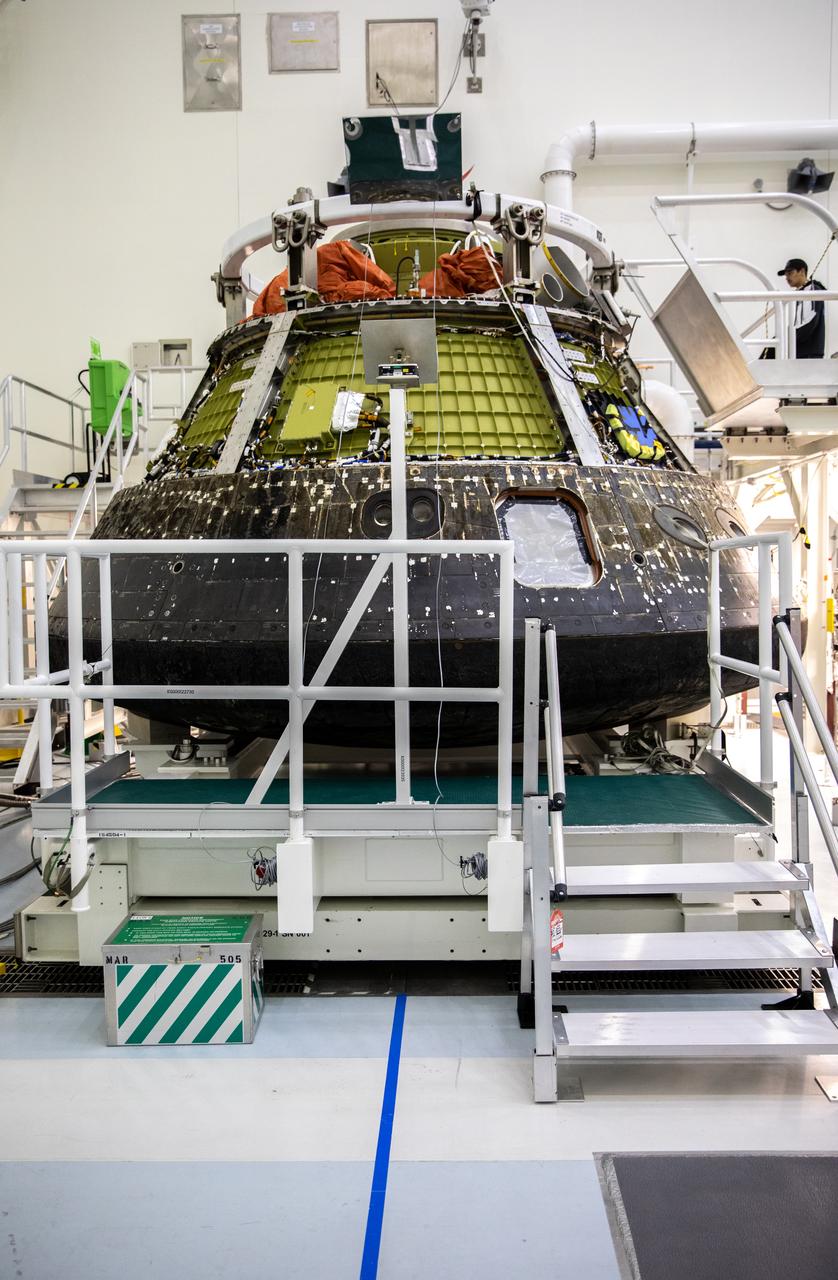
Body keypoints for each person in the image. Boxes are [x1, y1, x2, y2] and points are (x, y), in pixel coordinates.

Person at [778, 257, 826, 358]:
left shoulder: (812, 290)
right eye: (785, 275)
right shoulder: (801, 293)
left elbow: (810, 321)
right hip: (799, 351)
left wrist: (787, 338)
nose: (787, 277)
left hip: (809, 353)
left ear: (802, 271)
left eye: (790, 273)